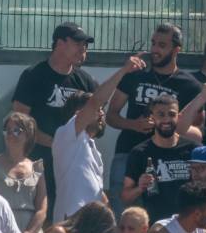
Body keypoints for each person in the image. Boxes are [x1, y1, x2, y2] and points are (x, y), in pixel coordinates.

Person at [105, 23, 204, 205]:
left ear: (176, 50)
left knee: (159, 213)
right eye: (153, 43)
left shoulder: (190, 86)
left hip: (167, 159)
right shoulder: (135, 75)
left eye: (162, 45)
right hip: (127, 151)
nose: (155, 50)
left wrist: (170, 126)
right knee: (122, 212)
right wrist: (134, 124)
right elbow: (110, 116)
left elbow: (197, 130)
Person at [12, 22, 99, 219]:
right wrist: (57, 142)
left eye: (85, 45)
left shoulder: (86, 81)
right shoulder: (33, 75)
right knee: (39, 214)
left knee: (72, 219)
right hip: (39, 161)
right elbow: (20, 120)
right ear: (59, 43)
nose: (83, 49)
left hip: (74, 163)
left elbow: (96, 123)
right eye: (78, 43)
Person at [53, 56, 143, 221]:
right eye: (97, 110)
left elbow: (98, 193)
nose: (101, 113)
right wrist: (124, 70)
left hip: (92, 226)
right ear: (78, 114)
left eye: (102, 109)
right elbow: (96, 101)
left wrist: (112, 223)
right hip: (71, 225)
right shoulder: (66, 135)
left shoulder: (91, 148)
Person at [121, 94, 196, 223]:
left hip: (189, 224)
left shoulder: (193, 149)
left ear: (178, 117)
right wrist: (140, 187)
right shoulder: (139, 153)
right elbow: (125, 198)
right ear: (152, 118)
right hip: (156, 226)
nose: (166, 119)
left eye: (171, 114)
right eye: (161, 114)